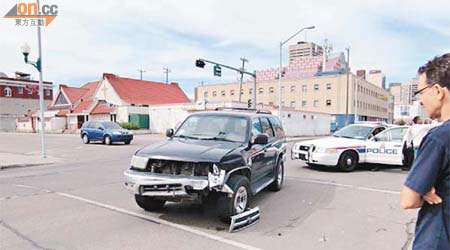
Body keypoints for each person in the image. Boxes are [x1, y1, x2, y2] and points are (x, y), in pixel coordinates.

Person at [400, 53, 450, 250]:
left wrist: (422, 190)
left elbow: (408, 199)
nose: (420, 100)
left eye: (421, 92)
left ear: (438, 91)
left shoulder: (439, 138)